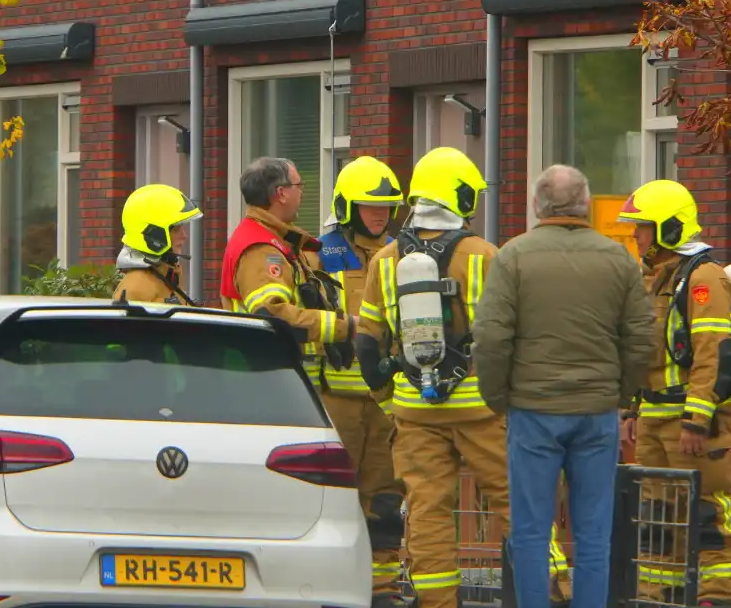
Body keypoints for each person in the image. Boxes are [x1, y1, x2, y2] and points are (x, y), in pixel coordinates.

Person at [354, 147, 571, 608]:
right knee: (519, 505)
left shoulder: (385, 259)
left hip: (414, 409)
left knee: (428, 512)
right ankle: (556, 592)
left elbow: (368, 340)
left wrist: (384, 397)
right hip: (483, 409)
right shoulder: (486, 256)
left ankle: (437, 602)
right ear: (460, 196)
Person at [471, 164, 656, 608]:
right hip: (596, 411)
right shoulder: (618, 258)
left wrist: (498, 396)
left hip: (532, 411)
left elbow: (491, 336)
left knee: (532, 530)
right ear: (586, 205)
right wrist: (622, 393)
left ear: (537, 204)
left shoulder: (513, 256)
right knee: (594, 532)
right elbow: (643, 337)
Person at [617, 179, 731, 606]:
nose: (635, 235)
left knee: (707, 513)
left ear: (669, 228)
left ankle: (721, 594)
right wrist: (634, 408)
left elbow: (712, 354)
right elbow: (645, 353)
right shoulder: (653, 279)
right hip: (655, 417)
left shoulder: (703, 277)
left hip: (690, 423)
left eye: (642, 227)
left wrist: (697, 420)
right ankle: (658, 594)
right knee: (657, 517)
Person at [314, 155, 407, 608]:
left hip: (386, 402)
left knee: (386, 499)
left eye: (387, 206)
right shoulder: (320, 253)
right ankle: (330, 589)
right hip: (337, 404)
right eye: (370, 205)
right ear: (347, 206)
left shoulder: (403, 254)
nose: (380, 214)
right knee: (335, 500)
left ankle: (382, 591)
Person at [220, 156, 355, 374]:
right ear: (281, 194)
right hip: (271, 378)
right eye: (298, 185)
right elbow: (274, 316)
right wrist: (345, 327)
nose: (302, 192)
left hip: (277, 375)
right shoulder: (260, 249)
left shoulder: (273, 239)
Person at [113, 183, 202, 305]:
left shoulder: (168, 275)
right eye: (176, 230)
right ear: (154, 235)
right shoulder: (136, 286)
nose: (184, 236)